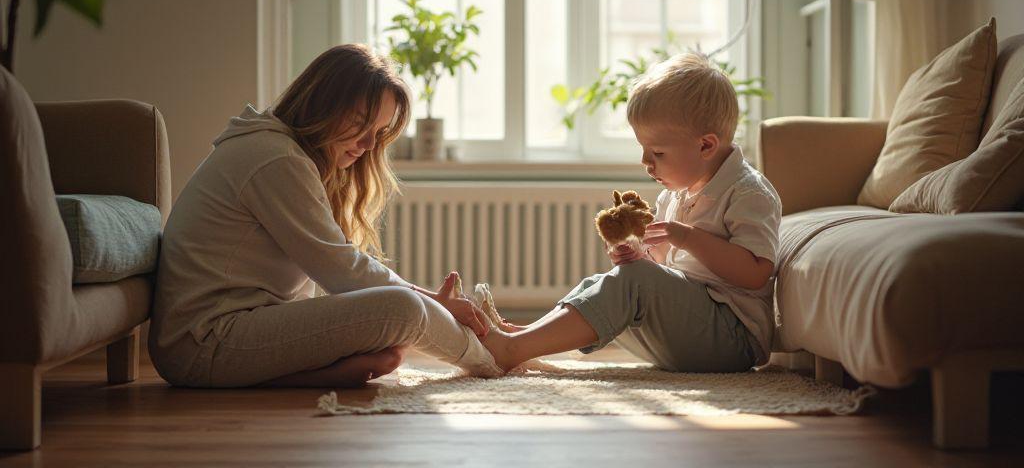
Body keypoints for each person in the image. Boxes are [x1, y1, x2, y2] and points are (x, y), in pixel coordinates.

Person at [149, 44, 502, 388]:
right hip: (204, 341)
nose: (367, 145)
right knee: (403, 309)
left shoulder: (280, 150)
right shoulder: (276, 159)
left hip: (216, 334)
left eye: (377, 133)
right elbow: (342, 270)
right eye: (360, 122)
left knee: (387, 353)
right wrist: (431, 302)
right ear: (323, 102)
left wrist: (432, 304)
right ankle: (494, 355)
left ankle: (303, 377)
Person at [483, 52, 782, 374]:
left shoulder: (748, 192)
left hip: (734, 339)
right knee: (605, 281)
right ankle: (525, 337)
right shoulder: (677, 194)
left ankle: (514, 349)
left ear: (706, 146)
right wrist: (639, 256)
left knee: (635, 281)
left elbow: (756, 273)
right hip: (691, 332)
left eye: (657, 152)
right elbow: (662, 270)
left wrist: (687, 238)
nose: (645, 162)